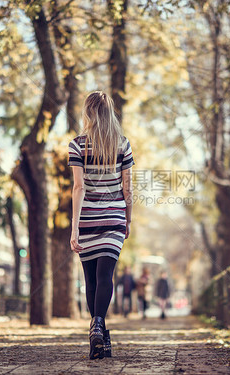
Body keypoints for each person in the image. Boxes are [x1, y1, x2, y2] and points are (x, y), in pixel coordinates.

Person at [69, 90, 135, 360]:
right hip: (114, 219)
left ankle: (97, 329)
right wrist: (128, 219)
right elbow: (127, 187)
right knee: (105, 276)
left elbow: (78, 187)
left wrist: (75, 228)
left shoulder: (77, 145)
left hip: (87, 220)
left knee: (91, 280)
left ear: (88, 112)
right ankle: (101, 333)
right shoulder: (123, 144)